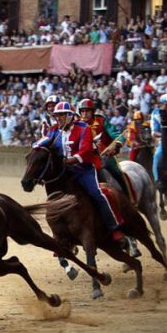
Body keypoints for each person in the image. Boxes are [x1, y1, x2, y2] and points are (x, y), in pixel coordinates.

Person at [35, 102, 124, 241]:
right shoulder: (54, 130)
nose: (58, 118)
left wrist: (71, 160)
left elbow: (85, 150)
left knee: (97, 193)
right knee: (53, 198)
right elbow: (43, 141)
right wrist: (36, 148)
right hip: (66, 172)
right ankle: (60, 234)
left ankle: (114, 227)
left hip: (84, 170)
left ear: (70, 116)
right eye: (56, 115)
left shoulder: (84, 128)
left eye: (61, 115)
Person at [77, 99, 132, 203]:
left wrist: (116, 145)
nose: (84, 114)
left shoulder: (101, 121)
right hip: (86, 158)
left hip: (105, 156)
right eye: (82, 111)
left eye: (87, 111)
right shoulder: (77, 125)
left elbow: (116, 134)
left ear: (92, 111)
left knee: (117, 172)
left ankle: (128, 199)